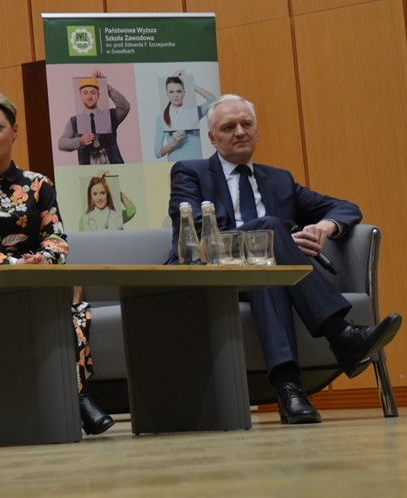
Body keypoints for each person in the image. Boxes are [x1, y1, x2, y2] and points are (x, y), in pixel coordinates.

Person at [167, 94, 402, 425]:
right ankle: (341, 334)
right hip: (211, 274)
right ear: (212, 138)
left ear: (257, 131)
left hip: (263, 278)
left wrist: (324, 226)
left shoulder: (278, 180)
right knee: (269, 232)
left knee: (267, 272)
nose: (239, 132)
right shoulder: (190, 173)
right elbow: (193, 234)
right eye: (229, 127)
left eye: (246, 124)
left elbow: (346, 208)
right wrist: (269, 240)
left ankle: (290, 389)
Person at [0, 90, 114, 436]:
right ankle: (77, 401)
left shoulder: (38, 184)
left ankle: (70, 399)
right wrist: (16, 267)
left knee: (71, 313)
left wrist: (41, 262)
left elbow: (56, 239)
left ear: (14, 131)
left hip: (36, 286)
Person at [58, 71, 130, 165]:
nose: (89, 97)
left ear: (98, 95)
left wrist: (106, 87)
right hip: (88, 172)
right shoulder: (74, 122)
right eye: (85, 93)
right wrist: (80, 141)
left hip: (115, 169)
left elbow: (125, 107)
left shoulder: (110, 116)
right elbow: (61, 143)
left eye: (93, 93)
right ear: (80, 95)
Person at [153, 70, 216, 162]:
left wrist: (190, 84)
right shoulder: (161, 117)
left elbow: (213, 101)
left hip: (197, 165)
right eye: (171, 92)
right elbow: (157, 153)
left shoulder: (194, 112)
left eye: (178, 91)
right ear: (167, 94)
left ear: (184, 93)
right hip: (176, 165)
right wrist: (173, 143)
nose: (175, 95)